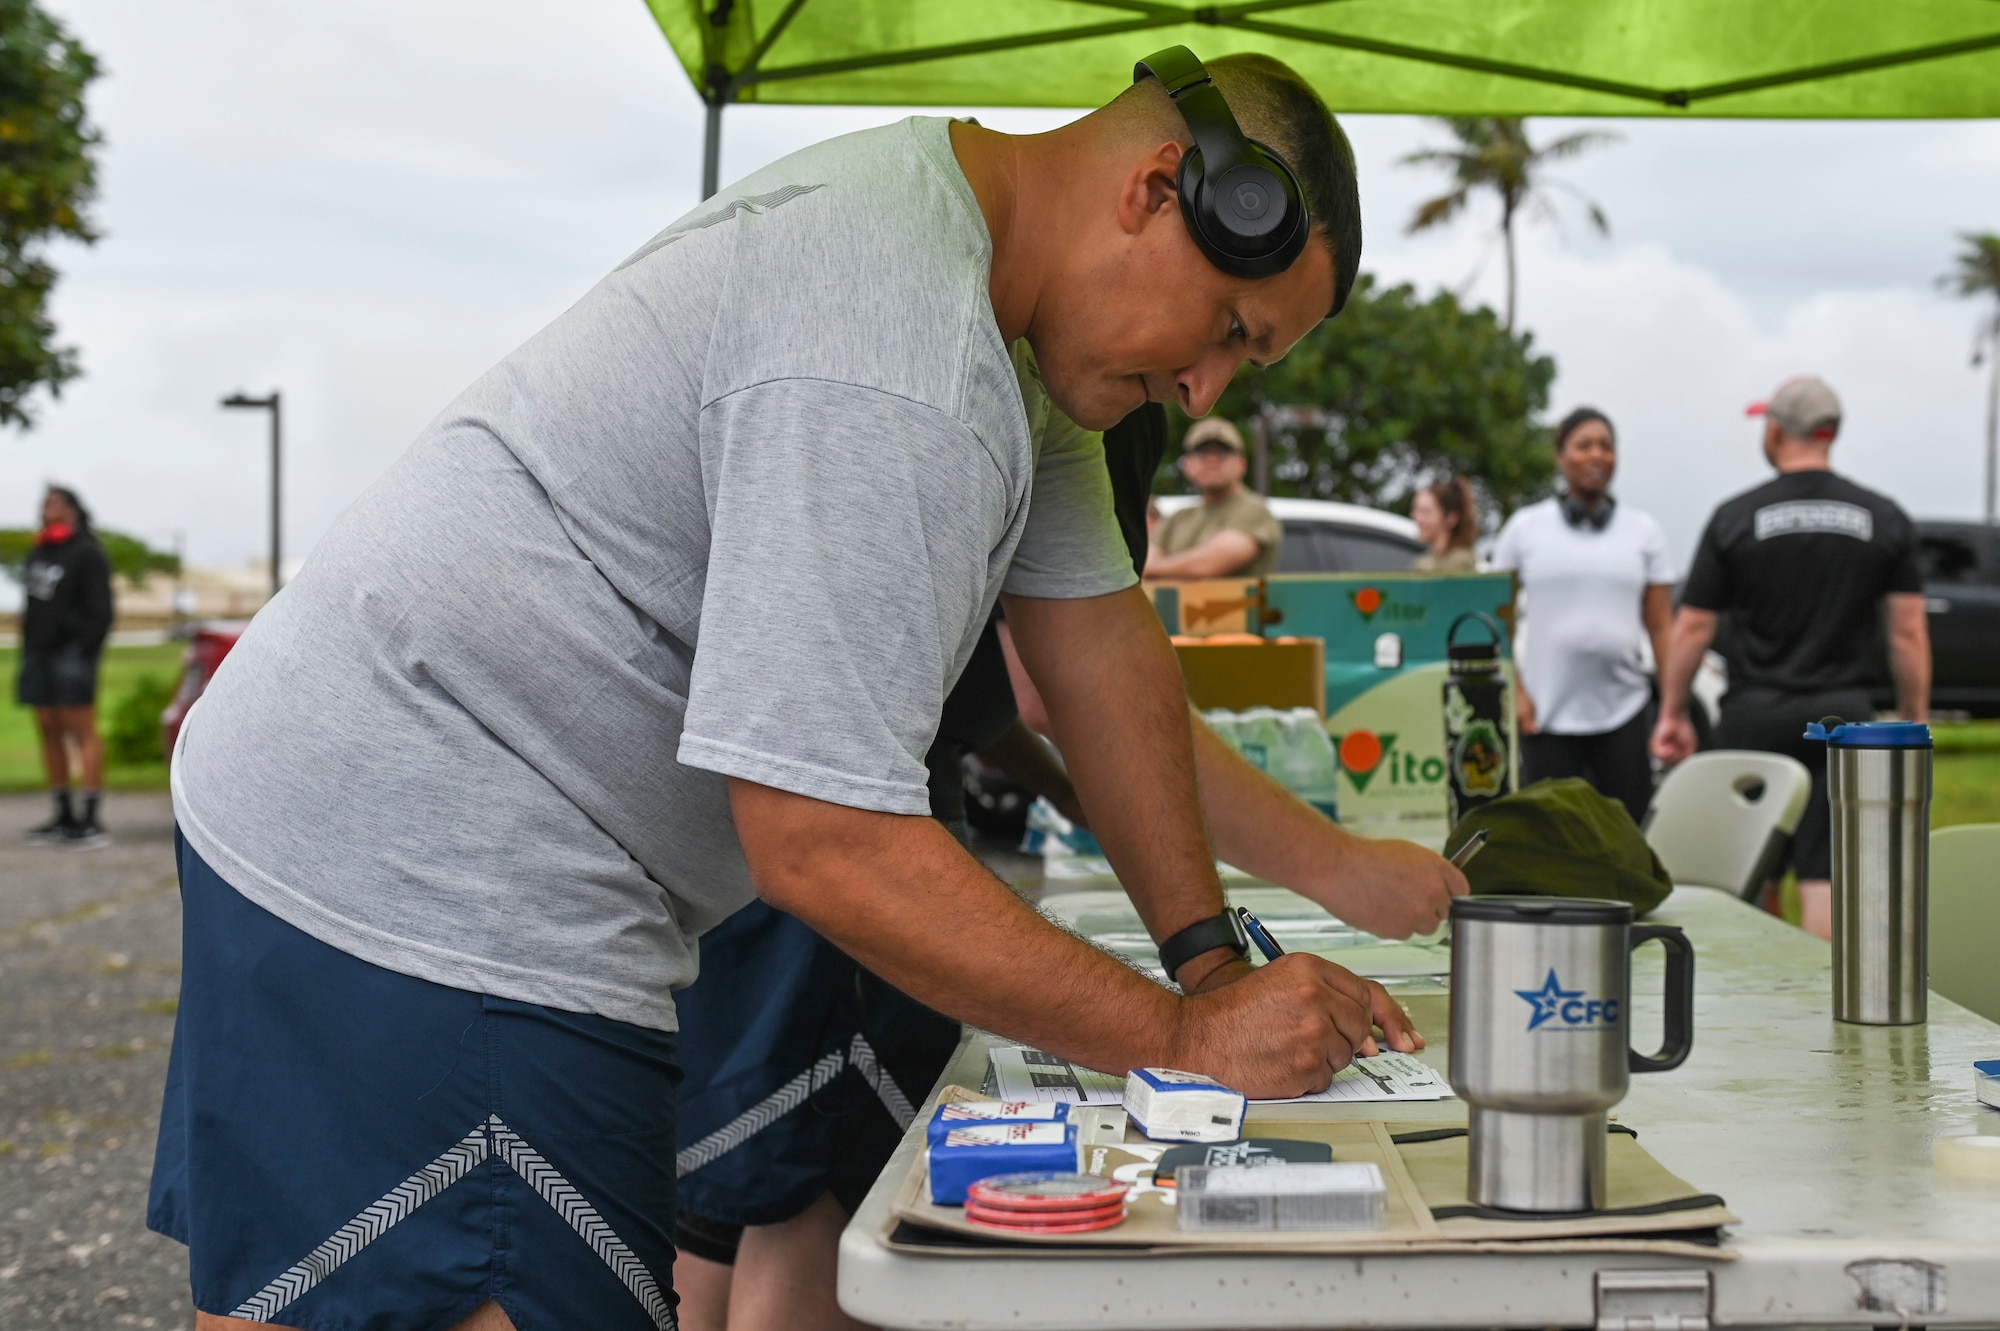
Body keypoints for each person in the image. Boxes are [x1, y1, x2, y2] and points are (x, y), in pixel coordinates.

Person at [151, 48, 1460, 1331]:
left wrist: (1210, 961)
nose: (1206, 385)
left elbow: (1102, 658)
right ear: (1158, 187)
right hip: (434, 877)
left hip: (357, 823)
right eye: (1231, 330)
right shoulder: (901, 350)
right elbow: (826, 841)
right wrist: (1182, 1035)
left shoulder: (1002, 326)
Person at [672, 401, 1466, 1331]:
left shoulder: (1008, 382)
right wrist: (1337, 869)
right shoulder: (1088, 397)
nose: (1207, 388)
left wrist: (1082, 796)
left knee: (731, 1194)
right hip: (843, 834)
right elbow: (1082, 683)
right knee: (816, 1200)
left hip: (752, 815)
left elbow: (981, 677)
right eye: (1237, 332)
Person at [1652, 376, 1929, 940]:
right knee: (1825, 875)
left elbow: (1694, 625)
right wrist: (1913, 716)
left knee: (1754, 869)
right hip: (1840, 720)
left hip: (1755, 714)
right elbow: (1907, 632)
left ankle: (1764, 1002)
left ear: (1776, 430)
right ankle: (1820, 1003)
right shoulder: (1882, 517)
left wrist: (1673, 712)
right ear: (1830, 432)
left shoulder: (1736, 517)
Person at [1490, 408, 1675, 825]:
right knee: (1550, 840)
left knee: (1627, 840)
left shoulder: (1643, 531)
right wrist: (1516, 693)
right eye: (1583, 445)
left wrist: (1672, 708)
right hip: (1546, 716)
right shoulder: (1524, 528)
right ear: (1560, 457)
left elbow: (1662, 626)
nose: (1597, 454)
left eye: (1606, 446)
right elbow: (1497, 619)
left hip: (1625, 712)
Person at [17, 486, 114, 850]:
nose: (48, 509)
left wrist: (83, 650)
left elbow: (101, 612)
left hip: (72, 655)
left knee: (81, 730)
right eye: (45, 504)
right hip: (38, 653)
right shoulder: (38, 551)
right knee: (48, 729)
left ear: (74, 509)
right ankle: (63, 815)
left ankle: (90, 819)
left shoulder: (87, 553)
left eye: (56, 503)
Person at [1144, 416, 1283, 578]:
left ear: (1241, 464)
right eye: (1202, 451)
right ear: (1187, 464)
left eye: (1223, 451)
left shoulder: (1254, 511)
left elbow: (1205, 566)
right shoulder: (1179, 517)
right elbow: (1147, 558)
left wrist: (1154, 568)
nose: (1212, 459)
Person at [1412, 476, 1479, 572]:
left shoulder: (1460, 561)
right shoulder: (1426, 560)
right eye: (1416, 510)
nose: (1417, 518)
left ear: (1451, 518)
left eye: (1426, 512)